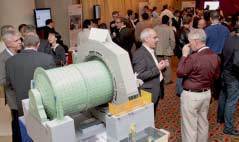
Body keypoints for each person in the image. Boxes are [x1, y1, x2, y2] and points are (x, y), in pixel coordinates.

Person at [177, 29, 220, 142]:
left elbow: (180, 72)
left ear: (196, 41)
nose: (189, 45)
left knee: (190, 127)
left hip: (191, 96)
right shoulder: (215, 56)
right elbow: (216, 76)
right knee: (203, 123)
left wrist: (184, 55)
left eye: (190, 41)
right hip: (206, 94)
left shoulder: (193, 57)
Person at [5, 34, 55, 117]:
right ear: (38, 44)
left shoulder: (10, 62)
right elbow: (52, 82)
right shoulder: (47, 59)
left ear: (23, 44)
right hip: (43, 104)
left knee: (26, 127)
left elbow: (9, 84)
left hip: (22, 104)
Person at [132, 28, 169, 113]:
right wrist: (158, 68)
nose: (157, 39)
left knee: (152, 116)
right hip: (147, 93)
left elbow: (151, 67)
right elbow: (139, 75)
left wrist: (162, 66)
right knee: (147, 119)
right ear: (146, 39)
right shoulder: (140, 54)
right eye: (155, 37)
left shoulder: (150, 50)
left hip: (155, 89)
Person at [219, 26, 239, 136]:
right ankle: (228, 127)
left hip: (225, 72)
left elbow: (223, 54)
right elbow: (237, 63)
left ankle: (220, 118)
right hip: (233, 77)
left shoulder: (229, 39)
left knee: (224, 97)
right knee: (231, 102)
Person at [154, 15, 175, 85]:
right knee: (167, 66)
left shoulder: (155, 28)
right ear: (168, 21)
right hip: (167, 50)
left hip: (157, 49)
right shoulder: (169, 29)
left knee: (159, 65)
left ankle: (160, 79)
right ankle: (167, 80)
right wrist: (172, 48)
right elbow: (172, 40)